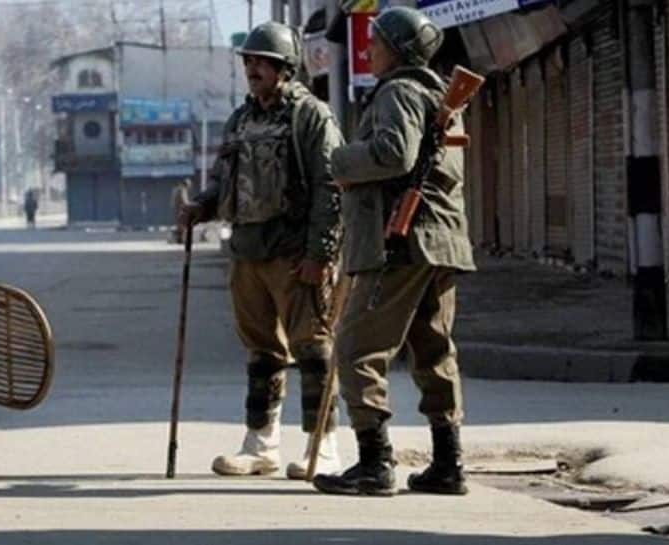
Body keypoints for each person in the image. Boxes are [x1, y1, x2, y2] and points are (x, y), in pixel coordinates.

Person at [312, 7, 475, 496]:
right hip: (439, 243)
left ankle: (374, 462)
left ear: (399, 50)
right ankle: (448, 463)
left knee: (357, 348)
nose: (369, 49)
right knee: (433, 350)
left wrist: (339, 160)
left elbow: (393, 154)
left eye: (377, 42)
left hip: (399, 242)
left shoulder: (399, 92)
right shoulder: (438, 96)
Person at [180, 21, 345, 480]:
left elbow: (330, 188)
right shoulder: (240, 120)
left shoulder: (311, 117)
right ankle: (260, 443)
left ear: (285, 67)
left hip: (294, 254)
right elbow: (224, 181)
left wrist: (320, 254)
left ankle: (321, 445)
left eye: (263, 62)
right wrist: (200, 207)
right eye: (249, 61)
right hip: (247, 253)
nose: (253, 69)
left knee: (312, 349)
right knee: (261, 351)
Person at [171, 179, 192, 244]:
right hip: (181, 209)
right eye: (190, 185)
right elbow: (185, 200)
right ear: (187, 184)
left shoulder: (177, 189)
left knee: (179, 225)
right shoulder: (183, 190)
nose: (190, 186)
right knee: (183, 225)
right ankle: (182, 239)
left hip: (177, 209)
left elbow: (173, 201)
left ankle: (179, 240)